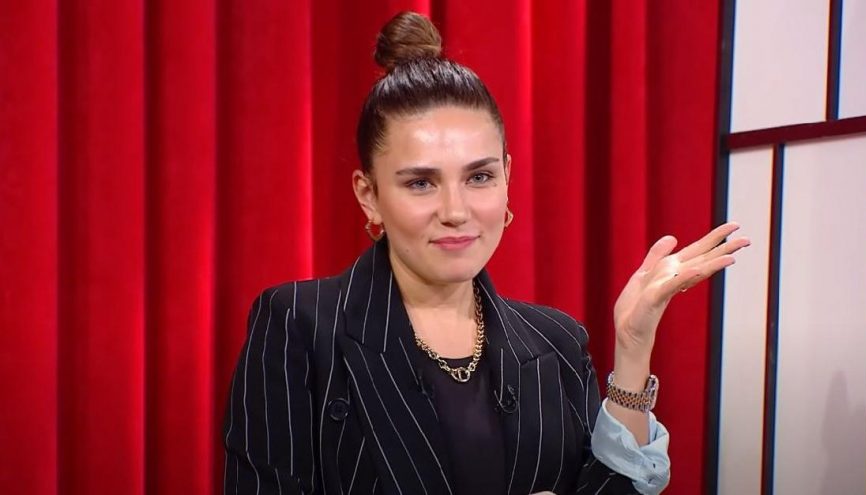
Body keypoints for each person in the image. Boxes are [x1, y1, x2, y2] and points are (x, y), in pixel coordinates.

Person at [222, 11, 749, 495]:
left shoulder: (557, 341)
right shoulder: (299, 325)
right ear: (369, 195)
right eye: (421, 183)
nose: (456, 211)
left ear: (507, 178)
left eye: (479, 177)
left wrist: (632, 349)